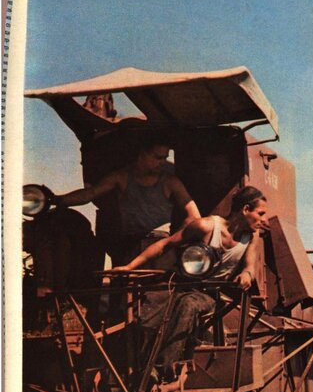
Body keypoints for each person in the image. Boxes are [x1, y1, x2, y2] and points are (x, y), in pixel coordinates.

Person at [114, 185, 267, 374]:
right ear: (245, 209)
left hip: (210, 295)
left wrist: (246, 275)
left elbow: (250, 266)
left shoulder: (251, 236)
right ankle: (131, 369)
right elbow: (165, 244)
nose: (264, 220)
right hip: (182, 285)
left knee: (189, 305)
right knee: (148, 305)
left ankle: (160, 370)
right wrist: (129, 267)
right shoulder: (206, 226)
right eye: (261, 214)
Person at [55, 133, 201, 264]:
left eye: (165, 158)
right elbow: (90, 193)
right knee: (124, 282)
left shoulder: (170, 182)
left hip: (161, 245)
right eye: (158, 157)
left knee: (161, 284)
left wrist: (174, 240)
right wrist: (57, 200)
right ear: (142, 154)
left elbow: (194, 215)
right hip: (130, 245)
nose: (162, 162)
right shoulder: (121, 177)